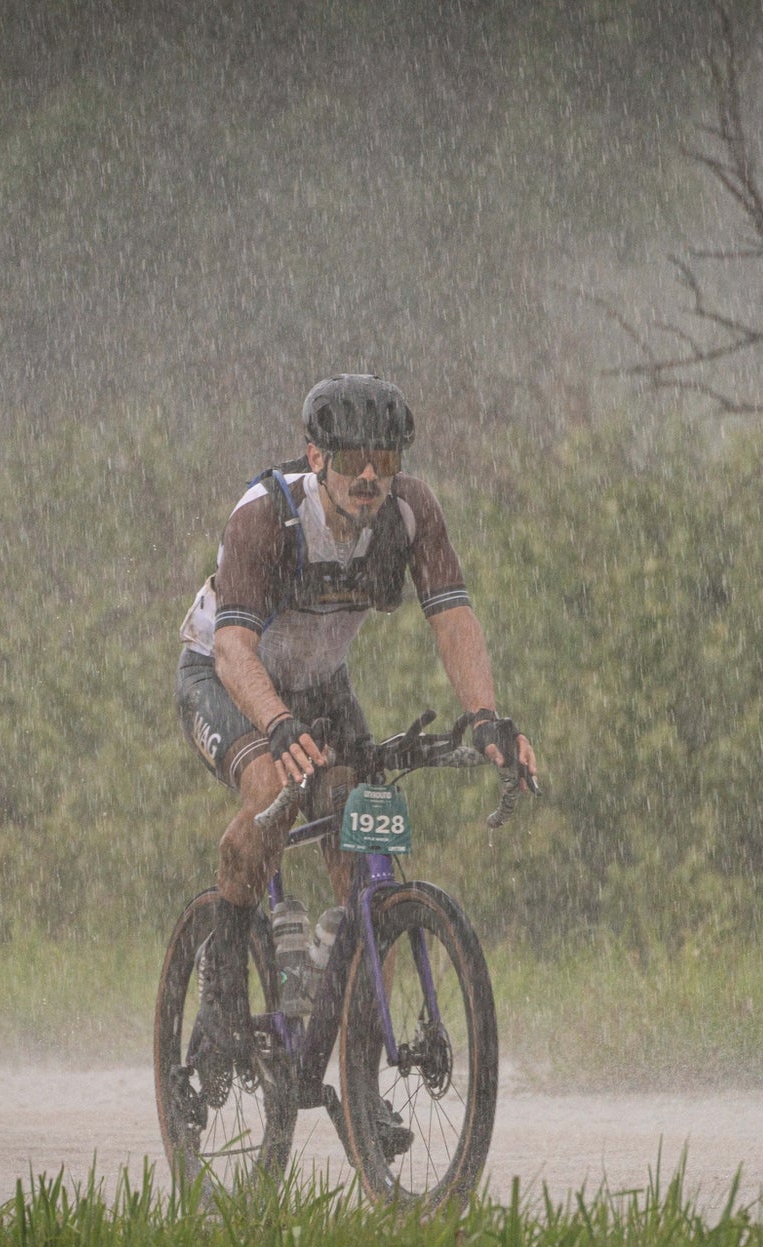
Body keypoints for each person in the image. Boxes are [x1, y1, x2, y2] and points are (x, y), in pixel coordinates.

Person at [175, 374, 538, 1022]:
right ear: (317, 458)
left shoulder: (410, 513)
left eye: (386, 460)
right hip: (226, 674)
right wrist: (278, 724)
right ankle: (224, 969)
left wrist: (485, 718)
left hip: (320, 686)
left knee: (366, 847)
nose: (369, 475)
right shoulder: (268, 514)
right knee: (269, 788)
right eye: (350, 460)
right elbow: (232, 648)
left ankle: (364, 1065)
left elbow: (452, 616)